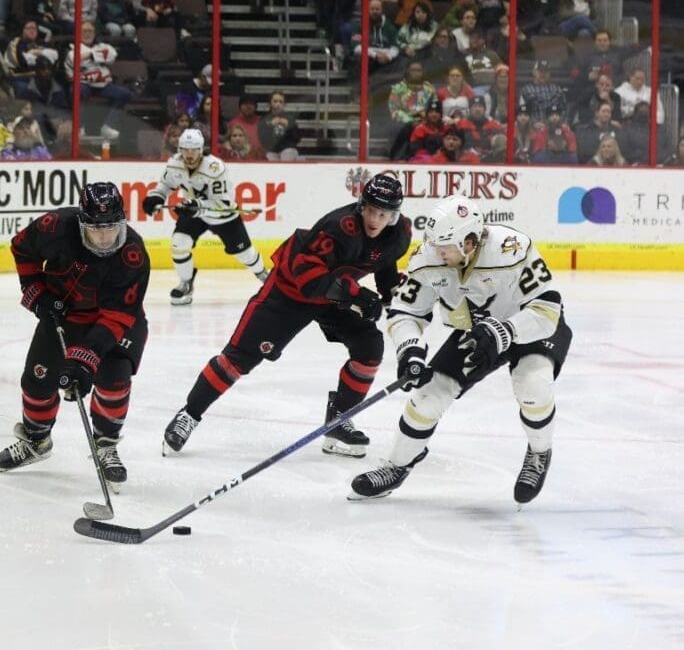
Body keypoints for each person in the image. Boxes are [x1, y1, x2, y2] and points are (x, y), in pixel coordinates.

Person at [161, 174, 412, 459]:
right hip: (289, 292)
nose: (376, 219)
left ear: (394, 215)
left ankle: (339, 419)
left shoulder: (399, 232)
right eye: (371, 210)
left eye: (384, 214)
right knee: (238, 359)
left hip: (333, 296)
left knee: (370, 346)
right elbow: (309, 279)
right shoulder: (339, 227)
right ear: (361, 206)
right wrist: (356, 295)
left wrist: (395, 298)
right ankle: (189, 414)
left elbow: (384, 263)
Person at [350, 195, 570, 504]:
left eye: (445, 247)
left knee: (533, 387)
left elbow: (548, 309)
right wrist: (410, 348)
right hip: (477, 331)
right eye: (435, 244)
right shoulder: (429, 257)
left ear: (468, 241)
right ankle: (397, 465)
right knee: (428, 397)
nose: (436, 253)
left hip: (530, 325)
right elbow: (404, 312)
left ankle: (539, 451)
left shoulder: (512, 248)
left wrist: (506, 330)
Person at [0, 182, 150, 485]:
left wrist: (85, 360)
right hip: (63, 316)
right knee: (37, 379)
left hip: (115, 322)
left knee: (114, 379)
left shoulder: (132, 253)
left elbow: (118, 315)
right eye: (96, 229)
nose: (105, 238)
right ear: (81, 223)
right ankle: (36, 441)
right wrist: (35, 292)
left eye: (111, 227)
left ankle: (106, 445)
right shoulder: (55, 226)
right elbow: (21, 247)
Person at [141, 128, 268, 305]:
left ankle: (265, 276)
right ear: (180, 149)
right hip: (194, 211)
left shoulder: (216, 168)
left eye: (194, 150)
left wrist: (197, 207)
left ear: (201, 150)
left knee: (245, 254)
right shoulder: (174, 164)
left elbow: (222, 204)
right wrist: (156, 197)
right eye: (185, 149)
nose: (189, 154)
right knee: (179, 242)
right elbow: (165, 185)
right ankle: (186, 282)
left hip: (222, 215)